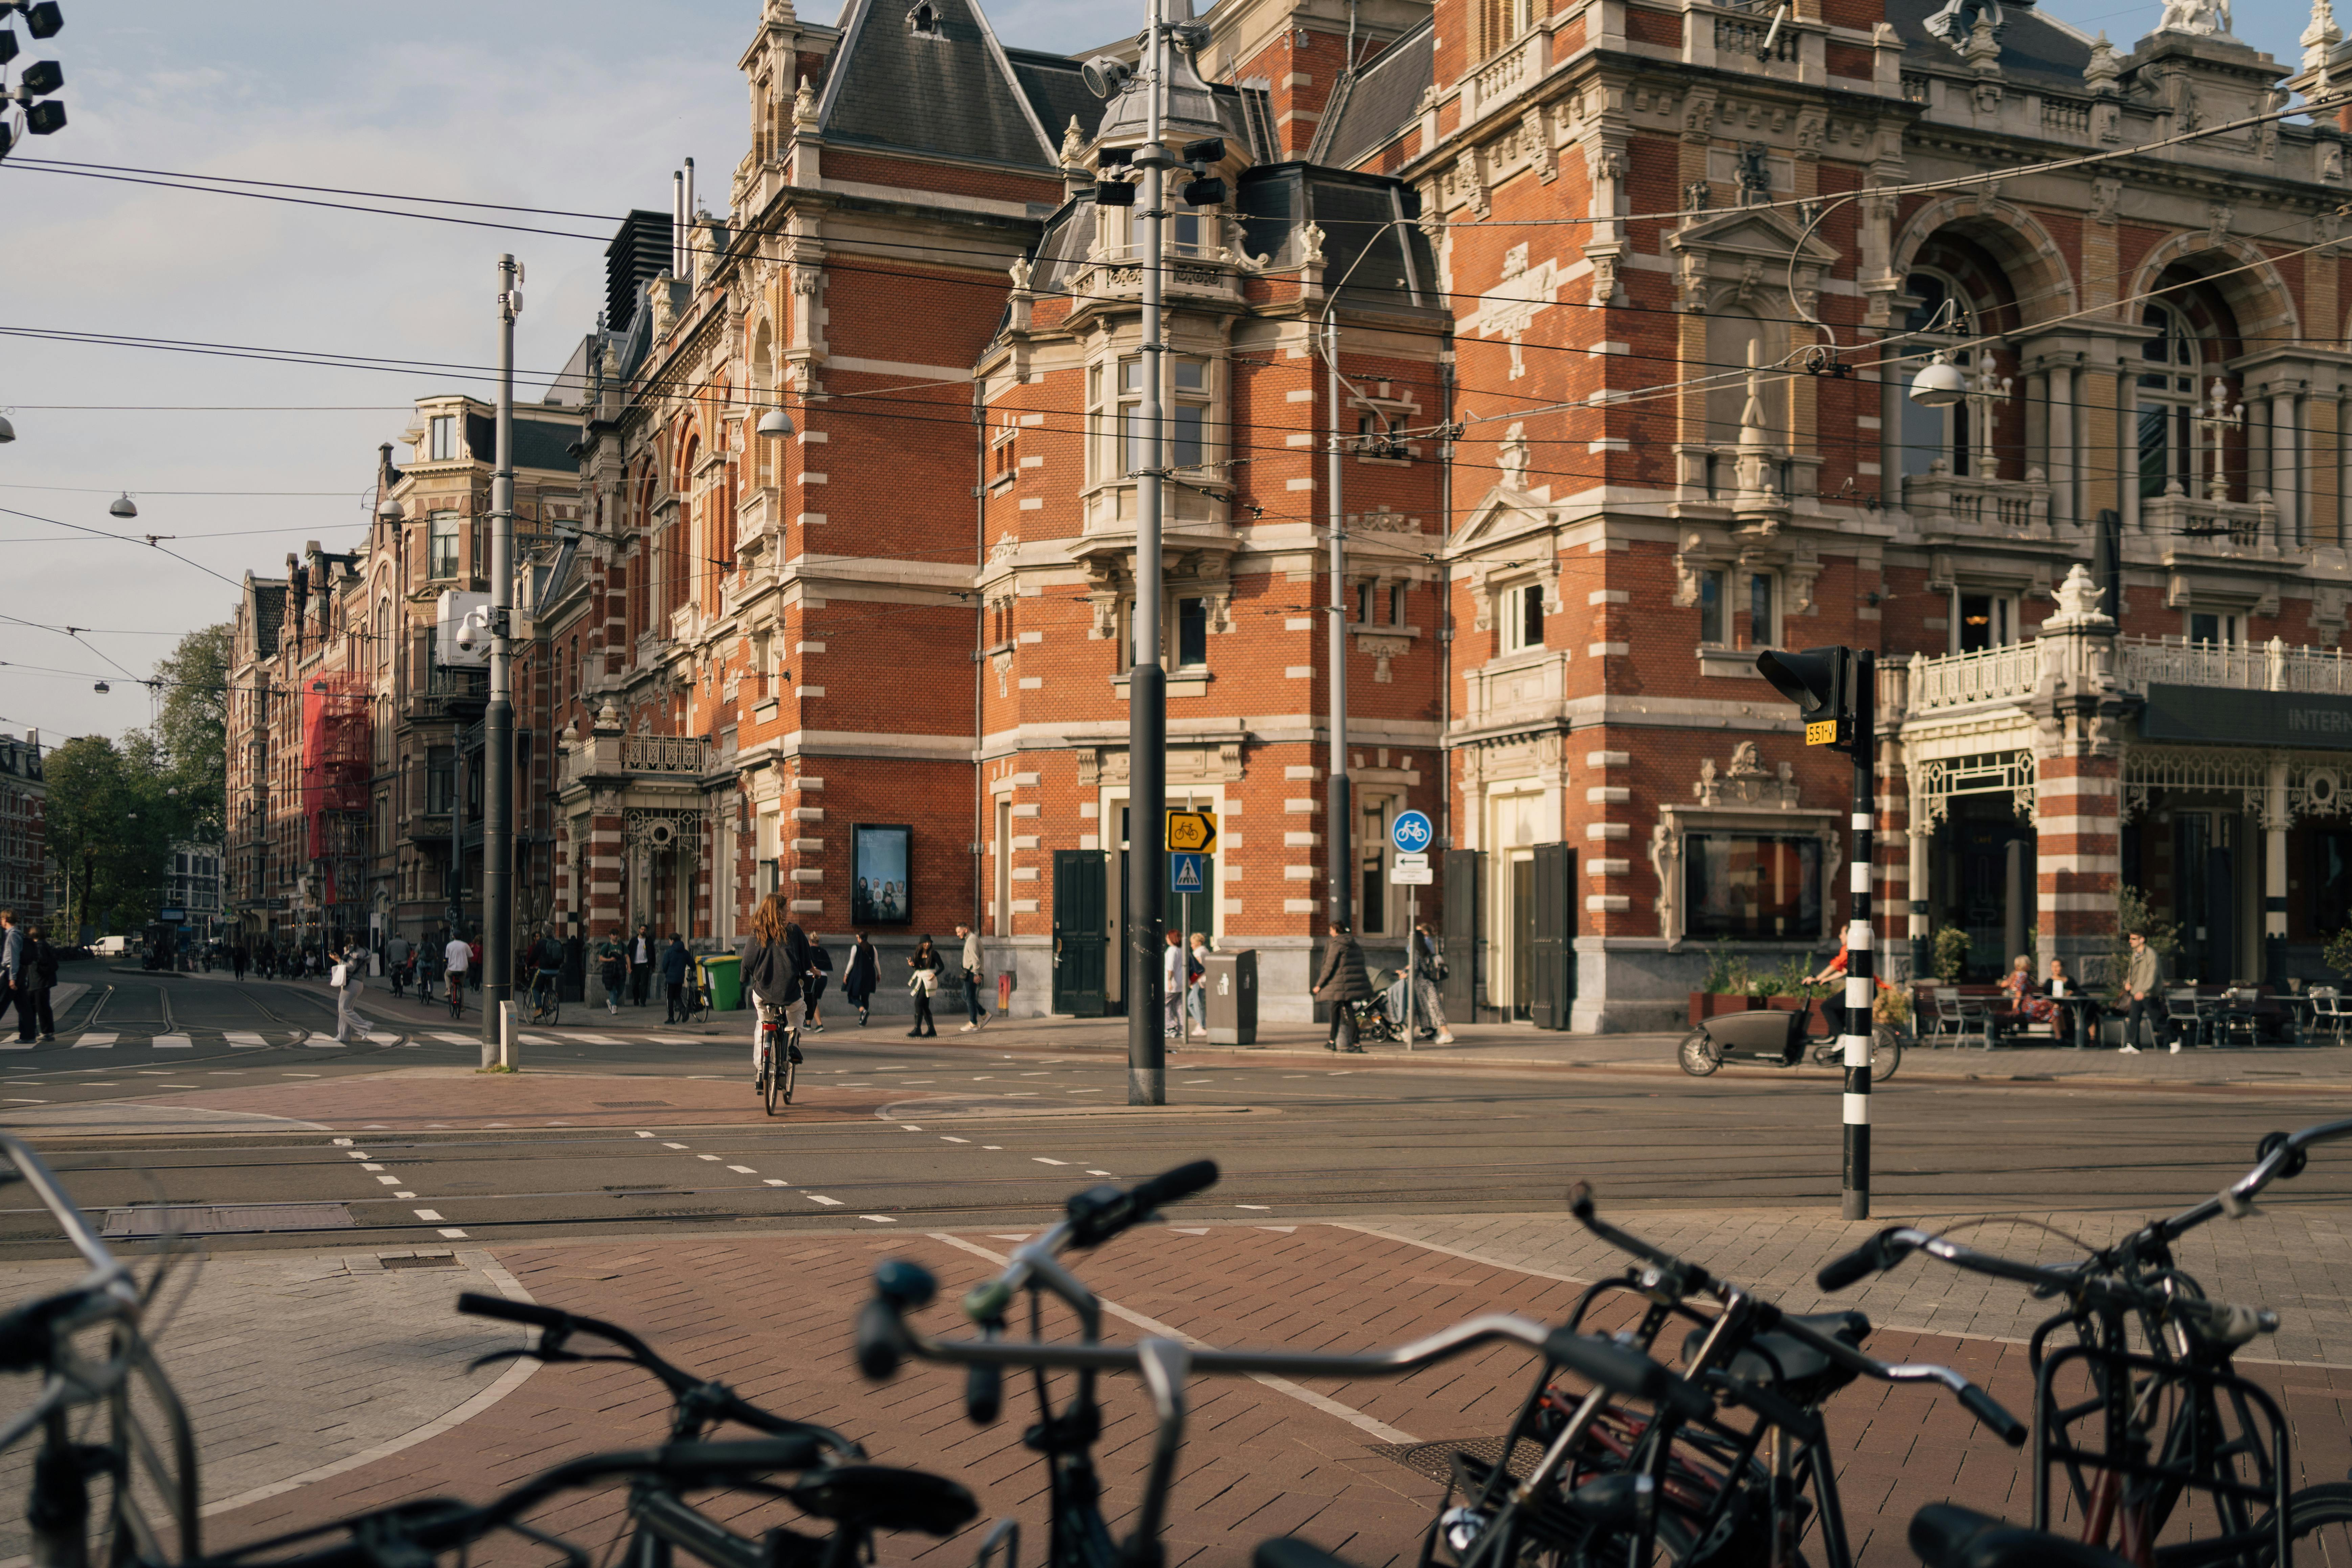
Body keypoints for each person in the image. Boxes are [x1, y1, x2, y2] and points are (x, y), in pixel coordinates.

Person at [742, 893, 808, 1072]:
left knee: (764, 1026)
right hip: (789, 992)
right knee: (799, 1009)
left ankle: (761, 1071)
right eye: (785, 908)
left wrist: (746, 978)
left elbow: (747, 960)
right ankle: (794, 1041)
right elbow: (805, 959)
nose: (788, 910)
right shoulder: (794, 931)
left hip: (762, 993)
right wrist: (809, 972)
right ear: (779, 911)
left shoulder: (757, 933)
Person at [1312, 921, 1372, 1052]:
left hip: (1341, 986)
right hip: (1347, 984)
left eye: (1331, 930)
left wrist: (1319, 985)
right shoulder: (1353, 944)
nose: (1330, 933)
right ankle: (1333, 1041)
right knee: (1339, 1011)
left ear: (1335, 930)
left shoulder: (1337, 944)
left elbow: (1329, 966)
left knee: (1344, 1013)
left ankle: (1353, 1044)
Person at [1408, 920, 1457, 1045]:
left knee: (1433, 1009)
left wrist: (1405, 974)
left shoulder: (1416, 952)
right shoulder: (1425, 951)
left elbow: (1414, 967)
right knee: (1431, 1009)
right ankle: (1432, 1032)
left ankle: (1446, 1034)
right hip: (1429, 983)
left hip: (1423, 985)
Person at [2121, 928, 2166, 1054]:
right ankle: (2134, 1045)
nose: (2130, 941)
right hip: (2137, 993)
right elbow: (2132, 972)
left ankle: (2174, 1039)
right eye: (2130, 939)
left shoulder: (2151, 954)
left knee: (2156, 1019)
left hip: (2148, 993)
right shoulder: (2135, 954)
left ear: (2142, 940)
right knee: (2134, 1018)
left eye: (2133, 939)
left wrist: (2143, 990)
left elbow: (2153, 975)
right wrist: (2128, 983)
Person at [2001, 953, 2054, 1039]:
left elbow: (2003, 985)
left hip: (2018, 1005)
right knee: (2053, 1006)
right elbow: (2019, 992)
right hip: (2025, 1006)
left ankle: (2061, 1035)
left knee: (2055, 1009)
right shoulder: (2023, 975)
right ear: (2025, 965)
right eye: (2029, 963)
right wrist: (2014, 1009)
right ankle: (2062, 1036)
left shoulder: (2014, 975)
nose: (2030, 965)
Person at [21, 922, 55, 1043]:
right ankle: (40, 1031)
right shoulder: (43, 945)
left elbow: (41, 962)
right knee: (37, 1008)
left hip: (38, 982)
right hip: (38, 983)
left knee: (40, 1008)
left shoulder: (39, 946)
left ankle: (46, 1033)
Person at [906, 934, 942, 1038]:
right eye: (925, 942)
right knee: (924, 1005)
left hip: (930, 981)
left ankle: (918, 1029)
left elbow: (942, 967)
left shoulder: (934, 954)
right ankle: (932, 1030)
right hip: (922, 980)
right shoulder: (918, 954)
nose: (927, 944)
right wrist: (913, 965)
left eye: (929, 942)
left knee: (918, 1003)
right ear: (921, 944)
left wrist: (934, 975)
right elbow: (918, 969)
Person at [956, 923, 989, 1032]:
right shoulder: (971, 940)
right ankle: (984, 1014)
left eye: (959, 932)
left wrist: (976, 974)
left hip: (972, 974)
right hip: (971, 973)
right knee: (966, 997)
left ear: (965, 930)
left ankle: (974, 1023)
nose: (958, 935)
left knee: (969, 998)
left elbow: (975, 959)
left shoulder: (972, 941)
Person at [843, 932, 878, 1026]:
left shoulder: (856, 947)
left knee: (853, 995)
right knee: (865, 997)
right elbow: (876, 962)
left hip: (858, 975)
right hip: (870, 975)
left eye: (857, 937)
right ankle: (863, 1021)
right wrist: (879, 974)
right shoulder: (873, 948)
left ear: (859, 938)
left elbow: (851, 963)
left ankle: (863, 1011)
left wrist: (846, 974)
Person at [330, 942, 361, 1044]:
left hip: (351, 983)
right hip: (350, 982)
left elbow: (351, 967)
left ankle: (364, 1026)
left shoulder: (353, 953)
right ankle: (345, 1036)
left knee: (343, 1009)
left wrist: (339, 960)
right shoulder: (349, 952)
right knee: (345, 1009)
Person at [804, 931, 832, 1032]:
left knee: (812, 1000)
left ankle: (820, 1025)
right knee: (812, 999)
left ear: (810, 941)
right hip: (824, 977)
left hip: (813, 977)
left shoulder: (808, 951)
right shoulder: (823, 951)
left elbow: (806, 964)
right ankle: (808, 1024)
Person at [596, 928, 629, 1016]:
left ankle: (611, 1001)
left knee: (621, 989)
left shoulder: (622, 946)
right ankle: (614, 1007)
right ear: (610, 936)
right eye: (614, 935)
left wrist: (629, 967)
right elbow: (601, 958)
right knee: (612, 989)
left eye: (617, 934)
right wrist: (610, 959)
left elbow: (627, 957)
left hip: (620, 970)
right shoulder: (606, 946)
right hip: (610, 970)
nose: (615, 936)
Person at [662, 934, 692, 1024]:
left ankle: (671, 1018)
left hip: (670, 979)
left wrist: (667, 972)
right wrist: (693, 969)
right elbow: (692, 963)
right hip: (680, 978)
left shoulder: (669, 952)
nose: (669, 942)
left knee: (669, 998)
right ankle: (683, 1010)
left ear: (673, 941)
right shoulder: (685, 952)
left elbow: (665, 966)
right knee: (677, 996)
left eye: (670, 941)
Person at [1186, 932, 1211, 1038]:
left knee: (1197, 1003)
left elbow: (1197, 969)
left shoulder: (1199, 953)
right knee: (1191, 1002)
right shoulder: (1205, 951)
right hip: (1203, 980)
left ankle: (1202, 1026)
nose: (1192, 945)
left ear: (1199, 943)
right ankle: (1200, 1023)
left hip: (1199, 981)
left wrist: (1192, 981)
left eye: (1193, 943)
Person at [443, 929, 471, 1011]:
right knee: (461, 986)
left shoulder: (449, 945)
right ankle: (462, 1006)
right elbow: (471, 956)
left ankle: (449, 990)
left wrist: (445, 963)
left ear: (454, 937)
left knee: (447, 974)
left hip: (452, 969)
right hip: (463, 970)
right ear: (461, 937)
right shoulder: (465, 945)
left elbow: (446, 958)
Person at [631, 924, 654, 1007]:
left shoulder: (649, 941)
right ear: (639, 930)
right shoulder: (634, 940)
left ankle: (643, 1001)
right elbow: (629, 952)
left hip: (645, 965)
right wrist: (628, 965)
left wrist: (653, 965)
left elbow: (653, 953)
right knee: (635, 984)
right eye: (642, 929)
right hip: (636, 965)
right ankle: (636, 999)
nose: (643, 931)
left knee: (644, 984)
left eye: (645, 930)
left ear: (646, 931)